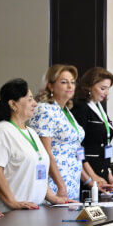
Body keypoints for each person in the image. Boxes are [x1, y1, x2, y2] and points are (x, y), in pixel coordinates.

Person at [0, 78, 66, 211]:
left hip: (34, 209)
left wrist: (52, 197)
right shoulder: (1, 132)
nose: (35, 104)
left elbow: (38, 173)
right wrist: (12, 202)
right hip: (8, 212)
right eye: (29, 99)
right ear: (13, 104)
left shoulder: (31, 132)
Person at [31, 64, 85, 201]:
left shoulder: (66, 110)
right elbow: (45, 152)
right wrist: (60, 184)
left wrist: (89, 179)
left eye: (72, 82)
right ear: (50, 86)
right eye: (64, 82)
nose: (70, 86)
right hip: (54, 183)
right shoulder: (44, 110)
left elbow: (74, 149)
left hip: (72, 180)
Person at [72, 67, 113, 193]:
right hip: (87, 174)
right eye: (103, 88)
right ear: (89, 87)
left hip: (102, 170)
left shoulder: (99, 107)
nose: (106, 93)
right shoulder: (81, 108)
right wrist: (92, 176)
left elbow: (104, 143)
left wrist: (109, 175)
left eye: (108, 89)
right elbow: (78, 146)